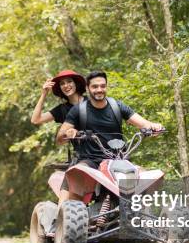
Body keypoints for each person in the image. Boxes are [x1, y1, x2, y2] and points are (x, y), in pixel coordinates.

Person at [56, 70, 163, 201]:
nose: (99, 89)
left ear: (106, 86)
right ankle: (66, 217)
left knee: (151, 177)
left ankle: (144, 214)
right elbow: (60, 138)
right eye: (95, 86)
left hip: (118, 161)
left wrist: (154, 127)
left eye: (102, 86)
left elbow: (144, 124)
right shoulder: (78, 109)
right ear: (87, 88)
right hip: (91, 162)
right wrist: (68, 133)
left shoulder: (117, 106)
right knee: (76, 174)